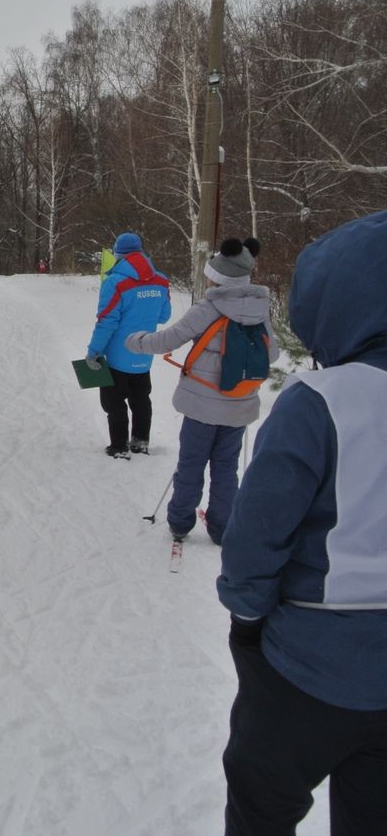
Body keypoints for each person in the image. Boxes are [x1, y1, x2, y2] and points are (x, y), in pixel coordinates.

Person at [217, 210, 387, 836]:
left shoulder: (322, 400)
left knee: (263, 800)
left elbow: (260, 530)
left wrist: (247, 614)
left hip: (308, 667)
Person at [125, 238, 279, 542]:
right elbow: (271, 355)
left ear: (218, 276)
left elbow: (167, 341)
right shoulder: (259, 310)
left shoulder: (209, 308)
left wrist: (135, 341)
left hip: (202, 406)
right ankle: (222, 528)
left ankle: (181, 523)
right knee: (226, 468)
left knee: (191, 465)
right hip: (239, 404)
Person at [85, 232, 171, 459]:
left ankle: (119, 446)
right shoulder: (161, 281)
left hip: (116, 355)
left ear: (118, 255)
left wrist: (94, 352)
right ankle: (140, 442)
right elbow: (164, 315)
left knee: (114, 402)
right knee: (141, 399)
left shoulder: (115, 282)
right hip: (144, 354)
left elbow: (106, 321)